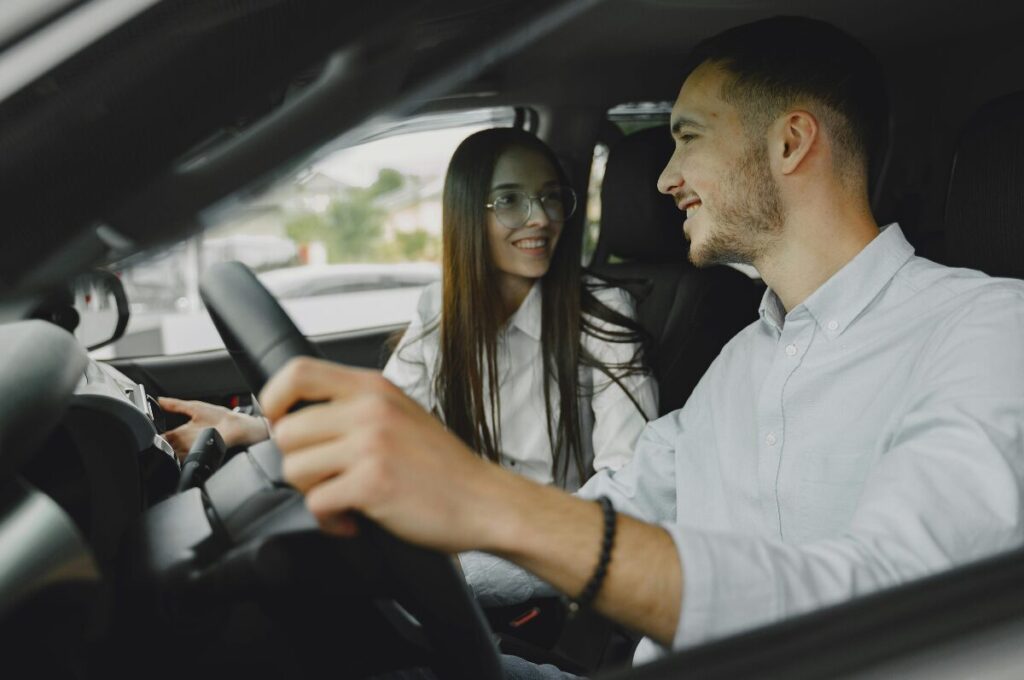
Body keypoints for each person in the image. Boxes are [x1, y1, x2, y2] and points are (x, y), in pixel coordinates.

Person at [257, 15, 1024, 678]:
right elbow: (617, 503)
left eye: (686, 137)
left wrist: (489, 503)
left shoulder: (987, 329)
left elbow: (885, 600)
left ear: (791, 143)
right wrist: (408, 558)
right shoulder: (742, 361)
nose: (661, 178)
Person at [159, 128, 657, 491]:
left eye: (551, 198)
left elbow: (629, 482)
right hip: (450, 523)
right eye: (510, 199)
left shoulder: (600, 313)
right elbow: (385, 416)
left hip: (541, 562)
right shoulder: (442, 309)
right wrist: (257, 428)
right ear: (467, 213)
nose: (541, 218)